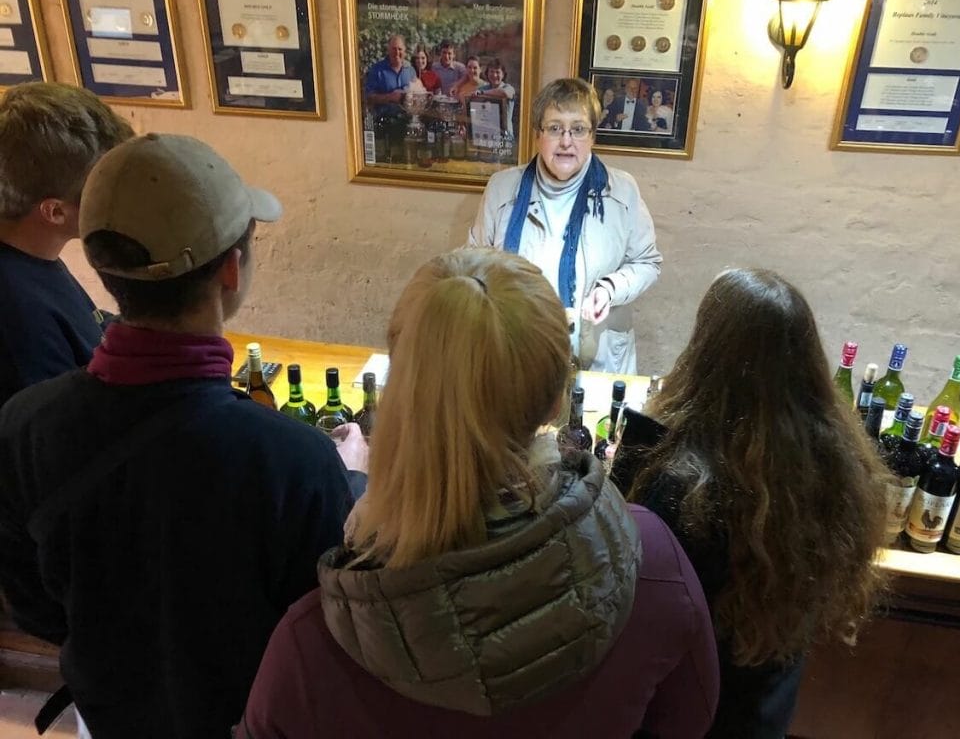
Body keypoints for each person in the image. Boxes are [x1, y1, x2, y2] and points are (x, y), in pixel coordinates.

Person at [241, 248, 719, 738]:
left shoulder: (312, 646)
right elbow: (691, 719)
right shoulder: (654, 564)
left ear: (402, 390)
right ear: (556, 400)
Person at [0, 133, 366, 738]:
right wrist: (345, 473)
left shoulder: (21, 426)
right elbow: (322, 636)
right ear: (231, 269)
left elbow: (37, 604)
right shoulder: (292, 460)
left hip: (110, 715)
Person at [619, 268, 889, 739]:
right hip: (764, 704)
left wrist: (635, 450)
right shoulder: (835, 462)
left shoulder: (682, 484)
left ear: (704, 349)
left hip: (685, 712)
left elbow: (626, 585)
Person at [469, 78, 662, 374]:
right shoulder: (501, 188)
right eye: (555, 128)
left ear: (593, 136)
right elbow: (474, 265)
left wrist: (611, 289)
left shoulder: (622, 191)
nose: (566, 141)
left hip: (596, 357)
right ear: (537, 135)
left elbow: (647, 262)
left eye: (578, 129)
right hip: (518, 352)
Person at [0, 82, 134, 409]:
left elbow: (87, 324)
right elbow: (60, 441)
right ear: (55, 211)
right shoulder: (19, 320)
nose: (120, 196)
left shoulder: (34, 254)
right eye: (105, 187)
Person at [364, 33, 415, 118]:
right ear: (388, 50)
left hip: (407, 120)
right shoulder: (377, 70)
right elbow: (368, 98)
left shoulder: (410, 70)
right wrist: (389, 97)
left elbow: (417, 93)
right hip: (384, 120)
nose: (397, 52)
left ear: (405, 51)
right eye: (394, 49)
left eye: (400, 49)